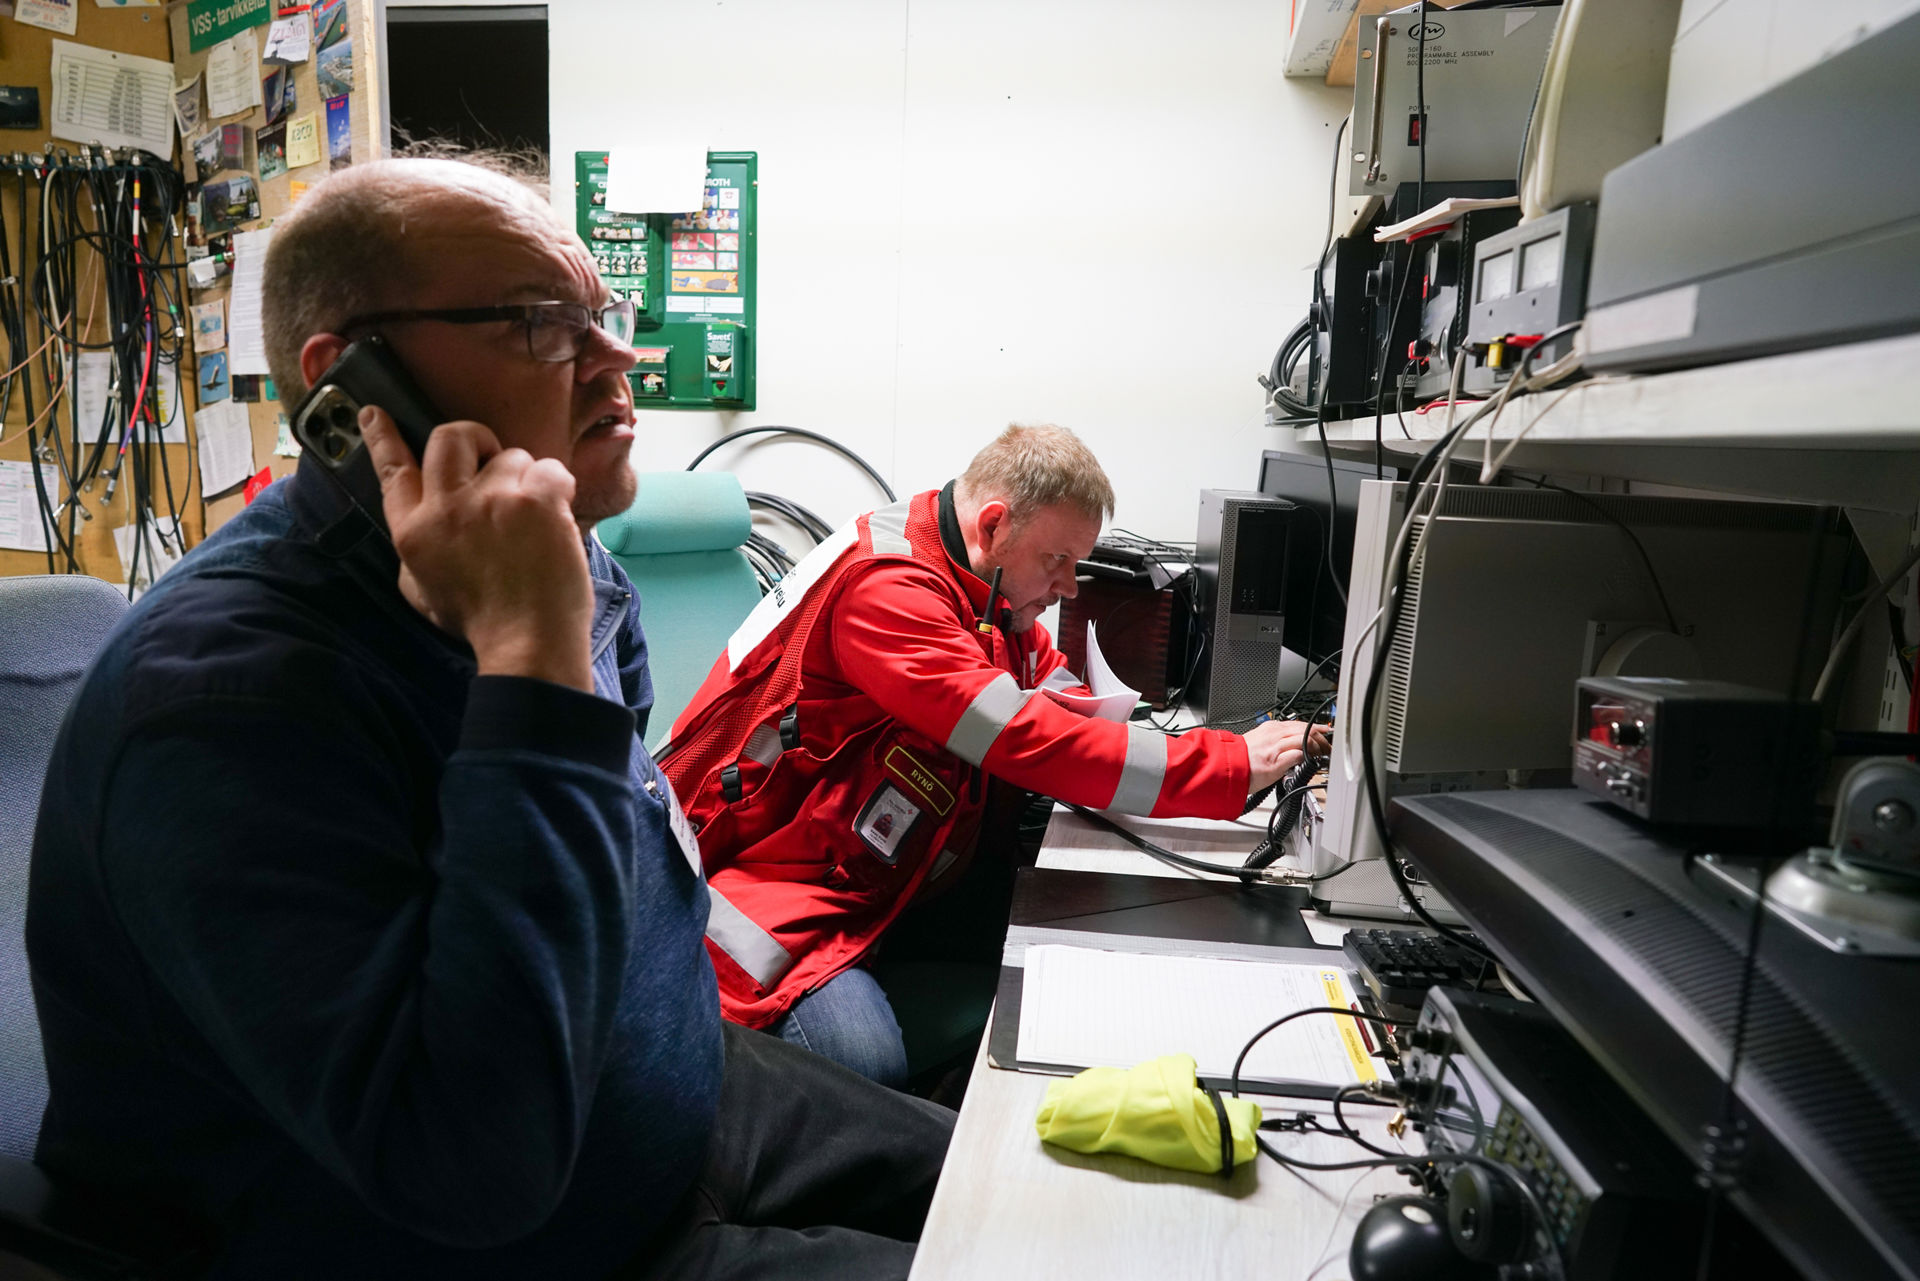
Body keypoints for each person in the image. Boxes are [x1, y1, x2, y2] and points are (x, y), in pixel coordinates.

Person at [25, 154, 952, 1280]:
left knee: (1046, 1191)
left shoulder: (566, 564)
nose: (621, 361)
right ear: (353, 383)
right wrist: (530, 669)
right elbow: (469, 1166)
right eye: (539, 324)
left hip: (676, 1105)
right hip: (496, 1239)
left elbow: (607, 869)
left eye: (603, 319)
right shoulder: (223, 701)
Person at [662, 425, 1328, 1087]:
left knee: (1100, 942)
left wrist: (1156, 738)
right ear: (993, 525)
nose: (1069, 586)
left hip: (886, 878)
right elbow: (1020, 732)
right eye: (1057, 560)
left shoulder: (971, 575)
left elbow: (1043, 673)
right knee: (866, 1065)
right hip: (780, 899)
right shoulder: (885, 591)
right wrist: (1230, 766)